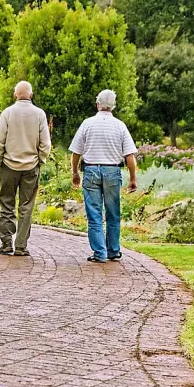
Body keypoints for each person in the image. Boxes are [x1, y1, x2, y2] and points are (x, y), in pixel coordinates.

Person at [69, 90, 138, 263]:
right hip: (112, 171)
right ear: (113, 105)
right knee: (113, 213)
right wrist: (132, 179)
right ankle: (113, 250)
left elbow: (76, 152)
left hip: (91, 170)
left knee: (94, 214)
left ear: (97, 104)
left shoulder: (87, 124)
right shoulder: (120, 126)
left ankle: (100, 253)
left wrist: (75, 172)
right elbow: (129, 156)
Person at [0, 81, 52, 256]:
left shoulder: (7, 113)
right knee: (26, 206)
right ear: (31, 95)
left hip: (9, 165)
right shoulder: (39, 114)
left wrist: (0, 158)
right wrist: (40, 159)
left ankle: (6, 243)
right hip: (31, 166)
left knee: (6, 203)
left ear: (15, 94)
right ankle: (21, 245)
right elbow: (45, 144)